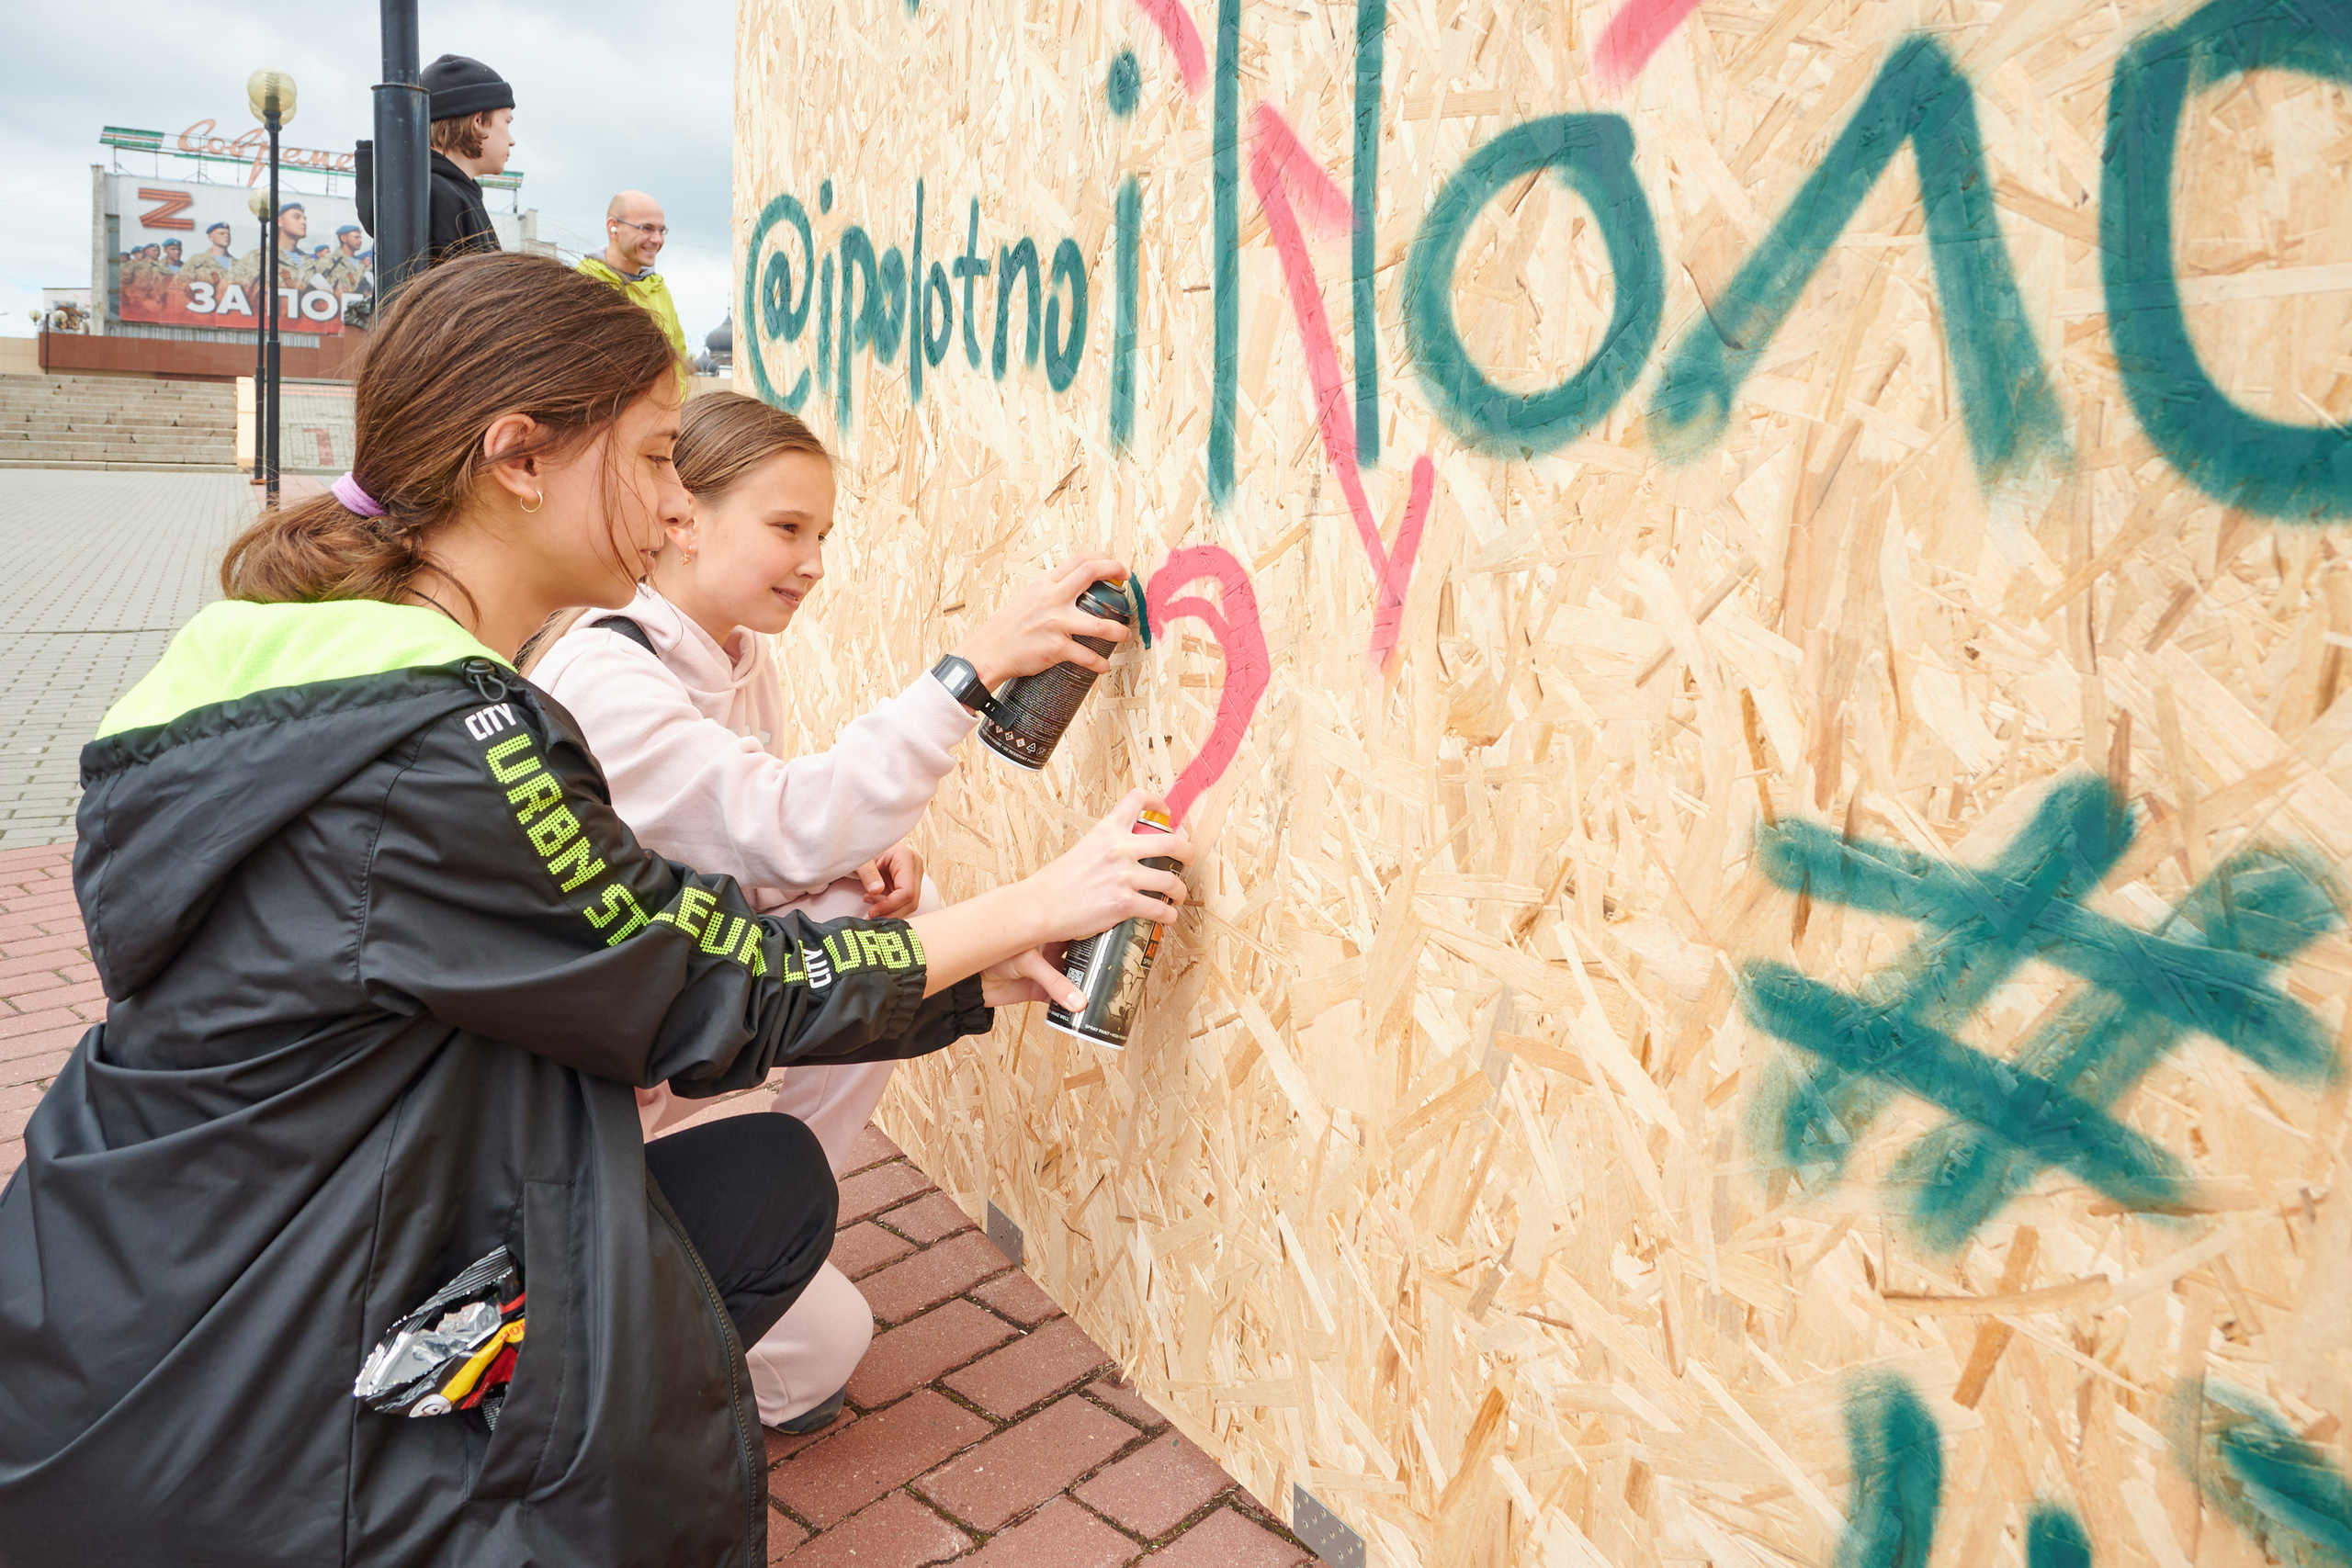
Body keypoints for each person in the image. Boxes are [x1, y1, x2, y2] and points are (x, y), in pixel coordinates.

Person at [0, 252, 1183, 1565]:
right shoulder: (449, 742)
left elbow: (630, 945)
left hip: (124, 1299)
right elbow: (709, 984)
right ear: (518, 455)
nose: (680, 504)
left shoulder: (291, 674)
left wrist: (971, 968)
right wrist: (1036, 903)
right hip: (251, 1403)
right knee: (679, 1354)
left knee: (757, 1184)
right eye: (660, 456)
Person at [525, 392, 1134, 1433]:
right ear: (682, 520)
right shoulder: (606, 673)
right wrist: (973, 670)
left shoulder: (729, 653)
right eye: (786, 528)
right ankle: (597, 1388)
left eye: (823, 535)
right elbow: (776, 827)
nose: (813, 561)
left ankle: (773, 1218)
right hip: (564, 1113)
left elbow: (729, 843)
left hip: (649, 1031)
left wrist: (848, 867)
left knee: (879, 901)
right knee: (816, 1362)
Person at [578, 191, 686, 363]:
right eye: (647, 228)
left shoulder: (659, 290)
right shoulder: (582, 286)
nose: (657, 239)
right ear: (614, 228)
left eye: (661, 230)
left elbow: (678, 361)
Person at [424, 52, 512, 263]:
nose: (512, 140)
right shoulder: (439, 197)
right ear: (479, 120)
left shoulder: (453, 193)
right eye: (507, 122)